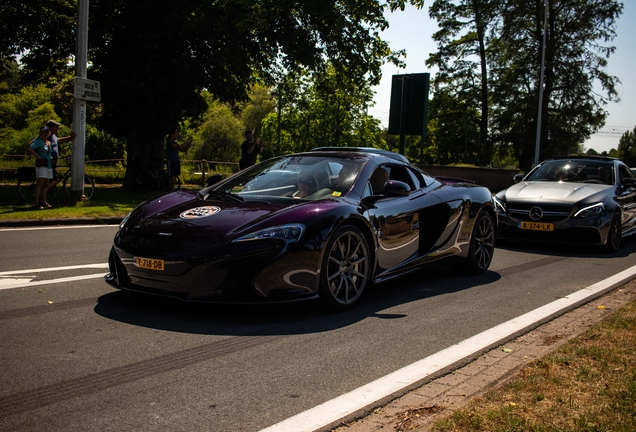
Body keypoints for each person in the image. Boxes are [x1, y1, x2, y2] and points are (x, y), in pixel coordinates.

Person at [45, 120, 77, 192]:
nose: (57, 128)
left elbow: (58, 140)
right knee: (55, 180)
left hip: (53, 162)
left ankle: (45, 194)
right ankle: (42, 192)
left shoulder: (53, 136)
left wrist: (69, 137)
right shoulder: (47, 136)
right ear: (51, 128)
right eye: (55, 127)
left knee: (50, 180)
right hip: (49, 162)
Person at [26, 126, 53, 209]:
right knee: (40, 184)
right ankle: (36, 203)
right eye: (44, 132)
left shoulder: (48, 142)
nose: (46, 133)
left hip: (48, 165)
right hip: (41, 165)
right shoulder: (38, 141)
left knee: (46, 185)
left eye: (47, 132)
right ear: (41, 133)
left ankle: (44, 201)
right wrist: (38, 157)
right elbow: (29, 148)